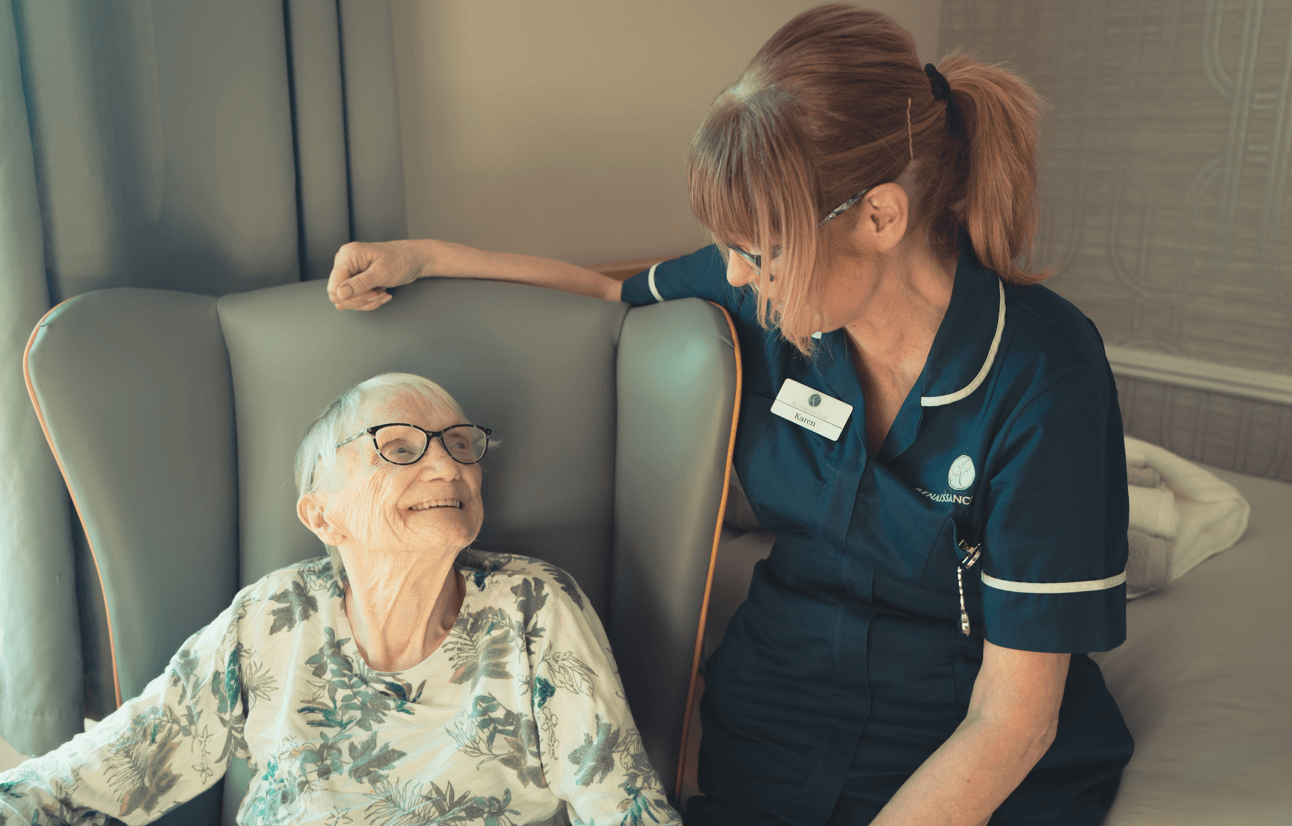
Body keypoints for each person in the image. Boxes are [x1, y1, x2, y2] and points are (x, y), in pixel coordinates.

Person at [324, 6, 1135, 825]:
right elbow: (608, 291)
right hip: (774, 725)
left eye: (761, 251)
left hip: (956, 746)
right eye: (730, 249)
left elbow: (1013, 721)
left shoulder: (1044, 375)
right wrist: (427, 257)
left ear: (881, 217)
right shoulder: (769, 293)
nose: (738, 278)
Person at [0, 373, 681, 826]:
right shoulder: (271, 619)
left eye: (462, 444)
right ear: (323, 516)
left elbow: (623, 806)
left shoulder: (534, 609)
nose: (449, 465)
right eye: (400, 447)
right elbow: (114, 767)